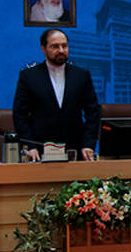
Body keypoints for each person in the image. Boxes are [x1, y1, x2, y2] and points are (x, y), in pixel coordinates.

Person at [12, 28, 99, 162]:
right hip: (39, 151)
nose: (61, 50)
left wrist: (88, 144)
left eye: (64, 46)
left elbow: (92, 113)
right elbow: (20, 115)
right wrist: (29, 146)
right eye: (55, 46)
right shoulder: (29, 76)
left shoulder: (81, 75)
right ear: (43, 48)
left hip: (75, 150)